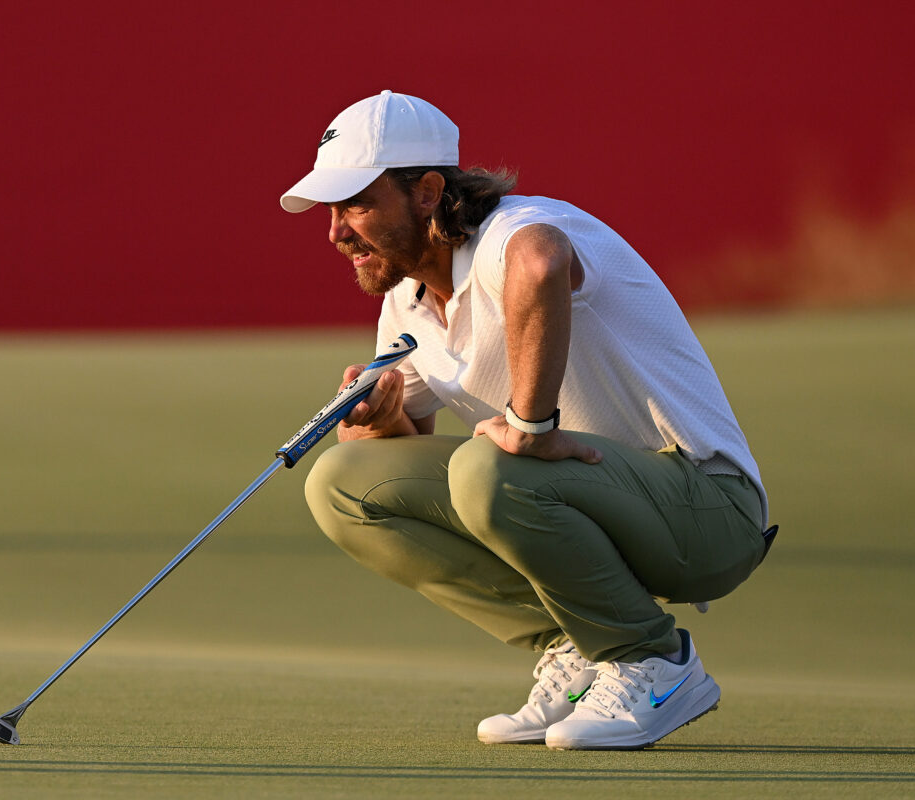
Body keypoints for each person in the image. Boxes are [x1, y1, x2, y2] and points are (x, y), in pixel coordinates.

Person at [280, 90, 776, 750]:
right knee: (343, 481)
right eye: (333, 209)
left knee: (489, 468)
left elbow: (541, 263)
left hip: (708, 511)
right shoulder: (407, 303)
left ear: (428, 192)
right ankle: (578, 648)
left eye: (357, 204)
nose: (336, 230)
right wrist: (385, 421)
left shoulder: (511, 230)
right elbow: (408, 472)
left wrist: (528, 425)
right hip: (597, 505)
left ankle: (654, 663)